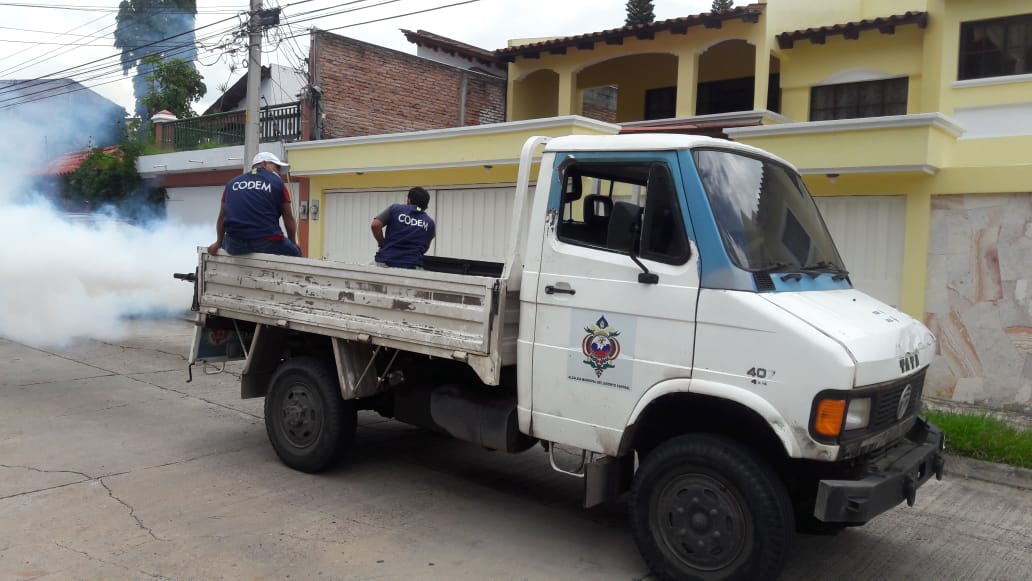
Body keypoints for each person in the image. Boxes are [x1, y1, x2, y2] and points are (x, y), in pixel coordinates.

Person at [208, 152, 302, 257]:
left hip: (234, 245)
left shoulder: (231, 183)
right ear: (264, 164)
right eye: (277, 167)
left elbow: (222, 216)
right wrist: (293, 243)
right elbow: (288, 217)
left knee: (227, 240)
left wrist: (218, 242)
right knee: (296, 253)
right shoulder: (278, 183)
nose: (279, 173)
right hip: (267, 242)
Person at [371, 187, 436, 268]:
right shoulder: (430, 223)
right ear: (426, 206)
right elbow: (425, 248)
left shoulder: (395, 209)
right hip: (411, 266)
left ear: (409, 200)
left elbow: (375, 225)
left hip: (385, 262)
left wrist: (381, 243)